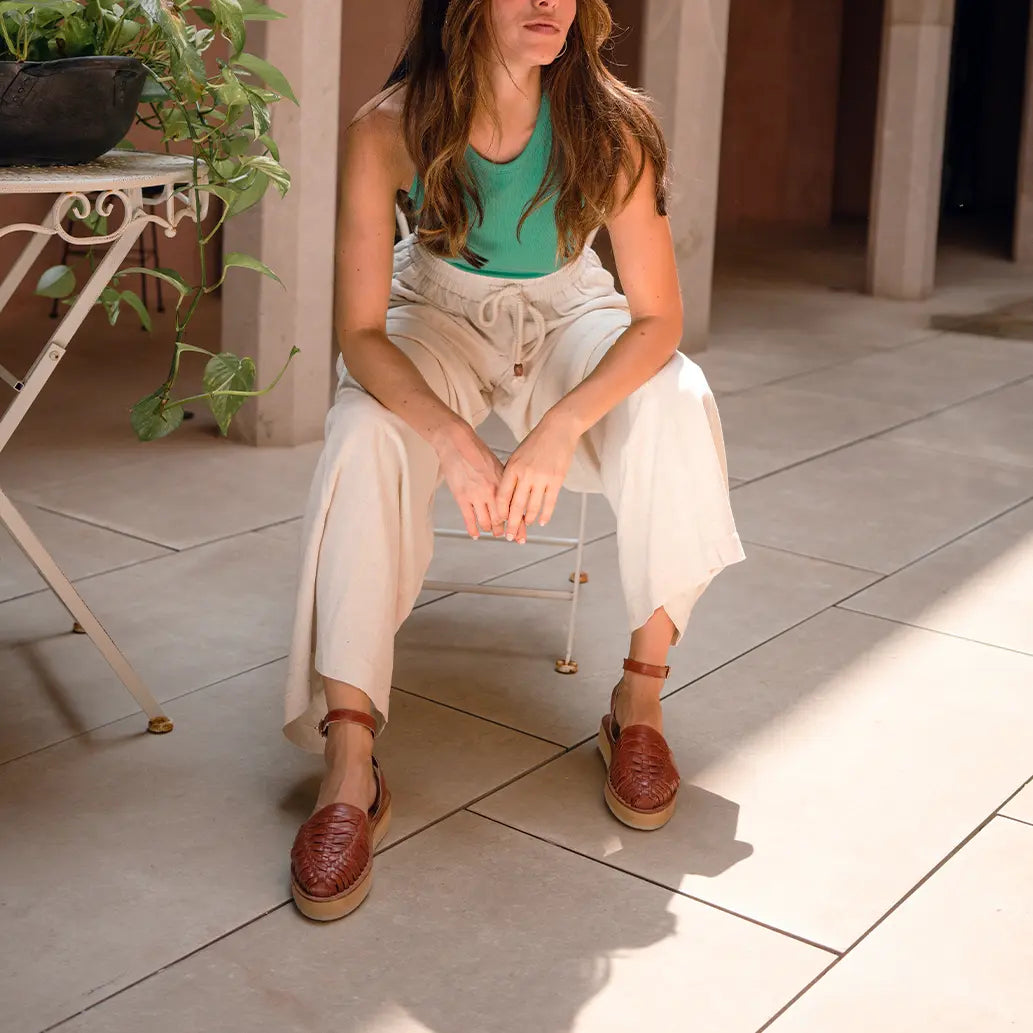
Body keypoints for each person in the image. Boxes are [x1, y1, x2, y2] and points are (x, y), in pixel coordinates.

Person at [283, 0, 745, 922]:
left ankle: (639, 702)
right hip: (433, 308)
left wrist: (559, 424)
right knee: (364, 431)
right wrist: (452, 437)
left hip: (572, 308)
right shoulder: (389, 128)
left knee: (677, 397)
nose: (547, 2)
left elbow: (657, 321)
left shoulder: (613, 129)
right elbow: (364, 333)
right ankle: (348, 760)